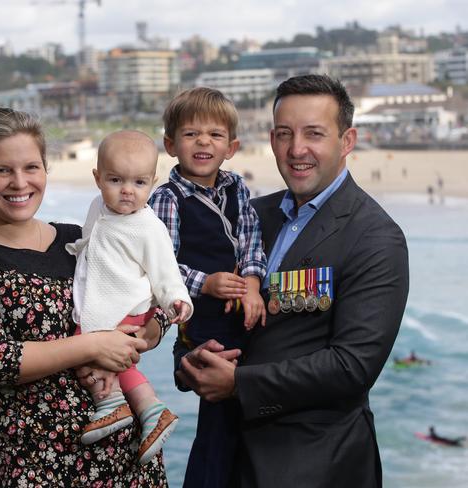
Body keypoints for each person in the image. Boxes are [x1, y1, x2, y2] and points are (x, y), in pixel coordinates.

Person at [177, 75, 409, 488]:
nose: (297, 149)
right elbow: (197, 297)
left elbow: (353, 366)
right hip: (218, 457)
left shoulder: (375, 237)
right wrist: (190, 357)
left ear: (347, 140)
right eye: (284, 134)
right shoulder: (245, 216)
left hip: (314, 464)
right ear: (271, 139)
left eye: (314, 134)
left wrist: (238, 384)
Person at [0, 108, 170, 487]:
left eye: (31, 167)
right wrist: (93, 345)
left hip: (129, 462)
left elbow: (149, 290)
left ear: (45, 170)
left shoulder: (77, 238)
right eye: (2, 170)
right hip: (41, 467)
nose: (20, 182)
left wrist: (152, 329)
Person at [149, 87, 267, 487]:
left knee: (244, 414)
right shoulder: (167, 199)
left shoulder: (237, 189)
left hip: (243, 308)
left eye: (215, 135)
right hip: (204, 319)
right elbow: (159, 266)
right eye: (191, 134)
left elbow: (251, 237)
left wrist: (251, 282)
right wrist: (207, 283)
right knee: (218, 419)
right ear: (170, 144)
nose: (203, 142)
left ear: (231, 147)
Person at [65, 129, 193, 463]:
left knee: (86, 350)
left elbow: (166, 269)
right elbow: (94, 239)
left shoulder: (148, 226)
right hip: (104, 304)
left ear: (152, 181)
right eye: (116, 180)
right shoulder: (99, 207)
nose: (126, 191)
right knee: (104, 356)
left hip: (126, 308)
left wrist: (176, 299)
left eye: (139, 183)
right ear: (97, 179)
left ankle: (112, 404)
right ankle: (150, 409)